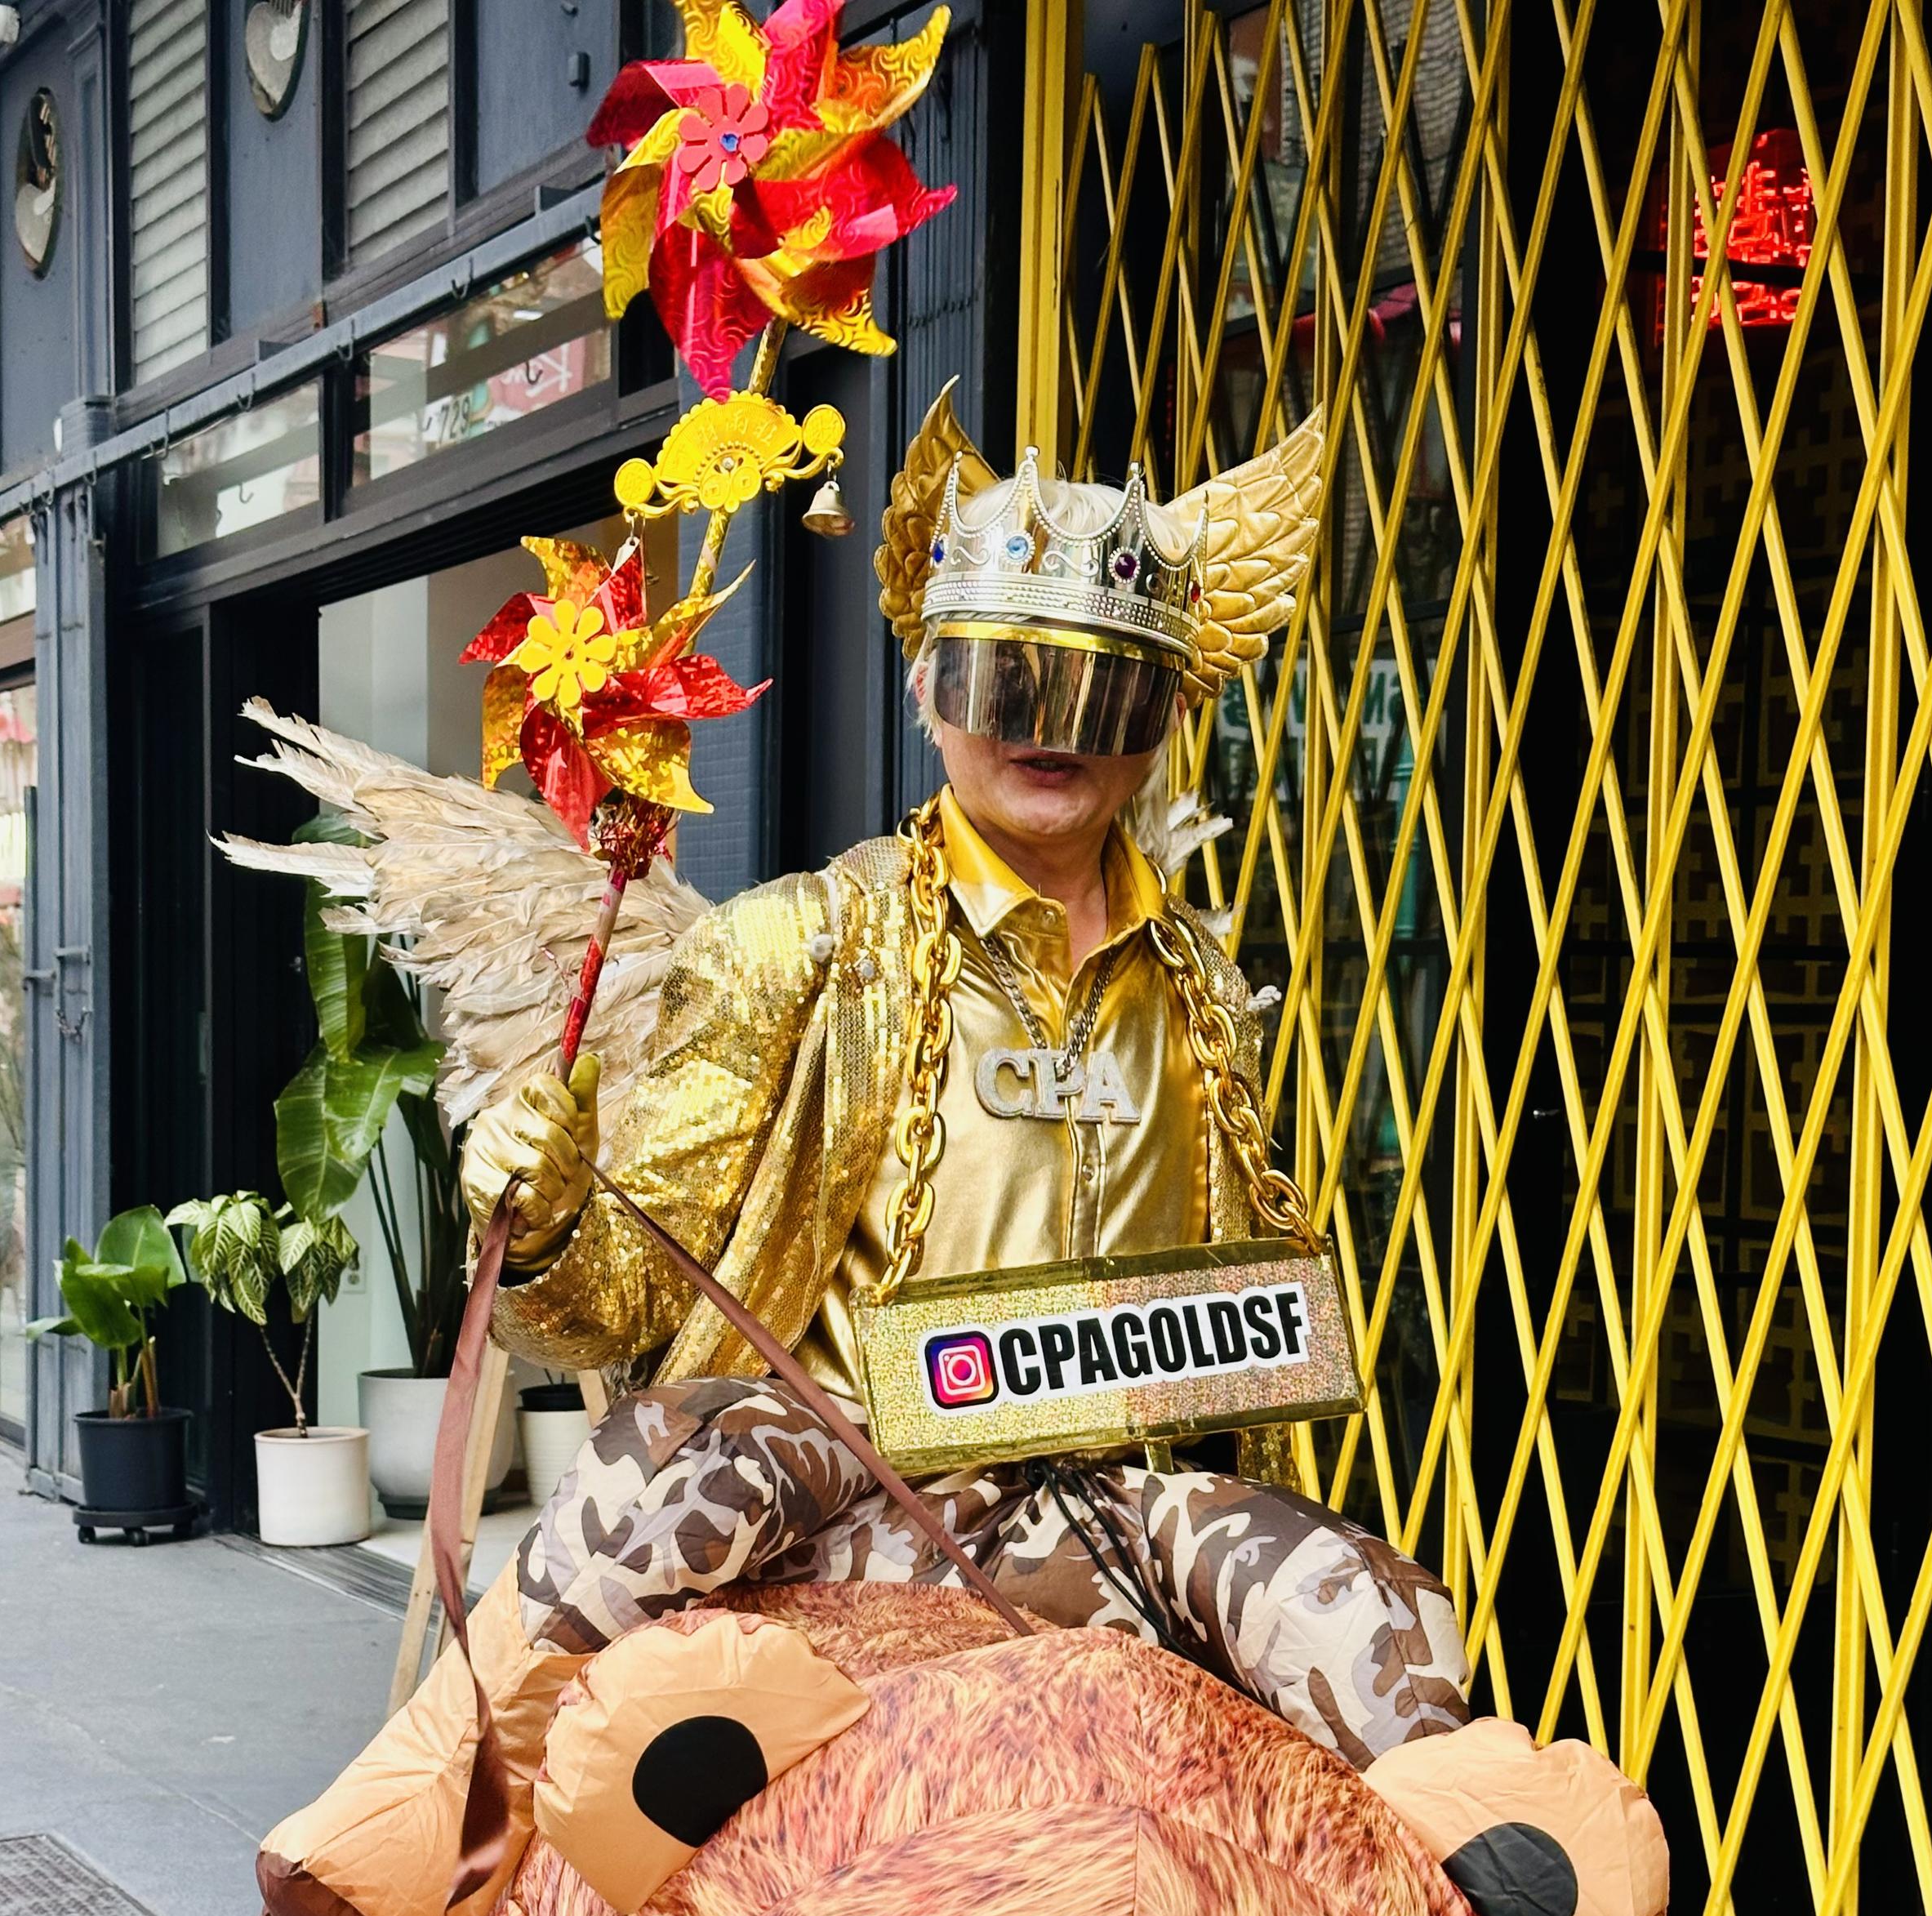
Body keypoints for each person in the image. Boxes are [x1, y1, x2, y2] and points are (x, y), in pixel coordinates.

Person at [442, 393, 1467, 1767]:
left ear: (1170, 712)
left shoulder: (1205, 997)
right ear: (927, 693)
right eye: (1006, 682)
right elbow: (612, 1302)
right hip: (843, 1505)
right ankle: (440, 1811)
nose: (1055, 730)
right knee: (639, 1513)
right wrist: (547, 1215)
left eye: (1104, 691)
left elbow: (1236, 1362)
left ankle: (1468, 1867)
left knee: (1374, 1618)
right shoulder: (797, 948)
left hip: (1116, 1527)